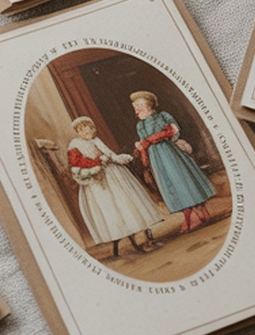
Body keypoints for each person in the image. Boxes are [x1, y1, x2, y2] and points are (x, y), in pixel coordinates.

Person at [66, 117, 163, 259]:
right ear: (78, 132)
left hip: (113, 175)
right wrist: (97, 162)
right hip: (97, 181)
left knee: (128, 202)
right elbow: (76, 162)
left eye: (89, 128)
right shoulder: (75, 144)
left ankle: (147, 238)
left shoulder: (97, 141)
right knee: (113, 207)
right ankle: (136, 240)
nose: (87, 131)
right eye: (82, 129)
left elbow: (109, 154)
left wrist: (117, 158)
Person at [131, 91, 215, 233]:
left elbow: (173, 131)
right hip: (156, 158)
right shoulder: (140, 125)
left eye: (139, 105)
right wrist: (145, 159)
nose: (137, 109)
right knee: (170, 184)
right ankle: (189, 215)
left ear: (149, 104)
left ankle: (200, 211)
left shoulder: (162, 116)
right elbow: (144, 144)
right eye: (135, 107)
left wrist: (157, 138)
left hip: (169, 152)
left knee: (182, 179)